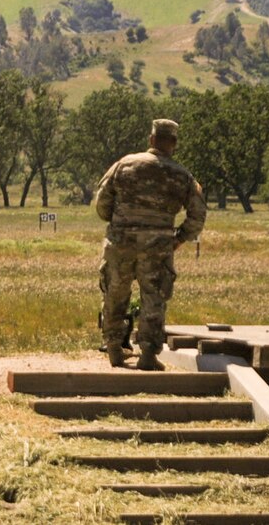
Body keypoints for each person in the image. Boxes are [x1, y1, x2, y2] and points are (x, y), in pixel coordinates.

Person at [94, 119, 207, 370]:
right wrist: (178, 238)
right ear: (174, 144)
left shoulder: (124, 164)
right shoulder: (182, 175)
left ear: (151, 139)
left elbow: (102, 205)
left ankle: (113, 347)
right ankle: (147, 354)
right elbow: (198, 215)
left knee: (115, 292)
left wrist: (121, 223)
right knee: (154, 298)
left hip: (120, 242)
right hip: (158, 246)